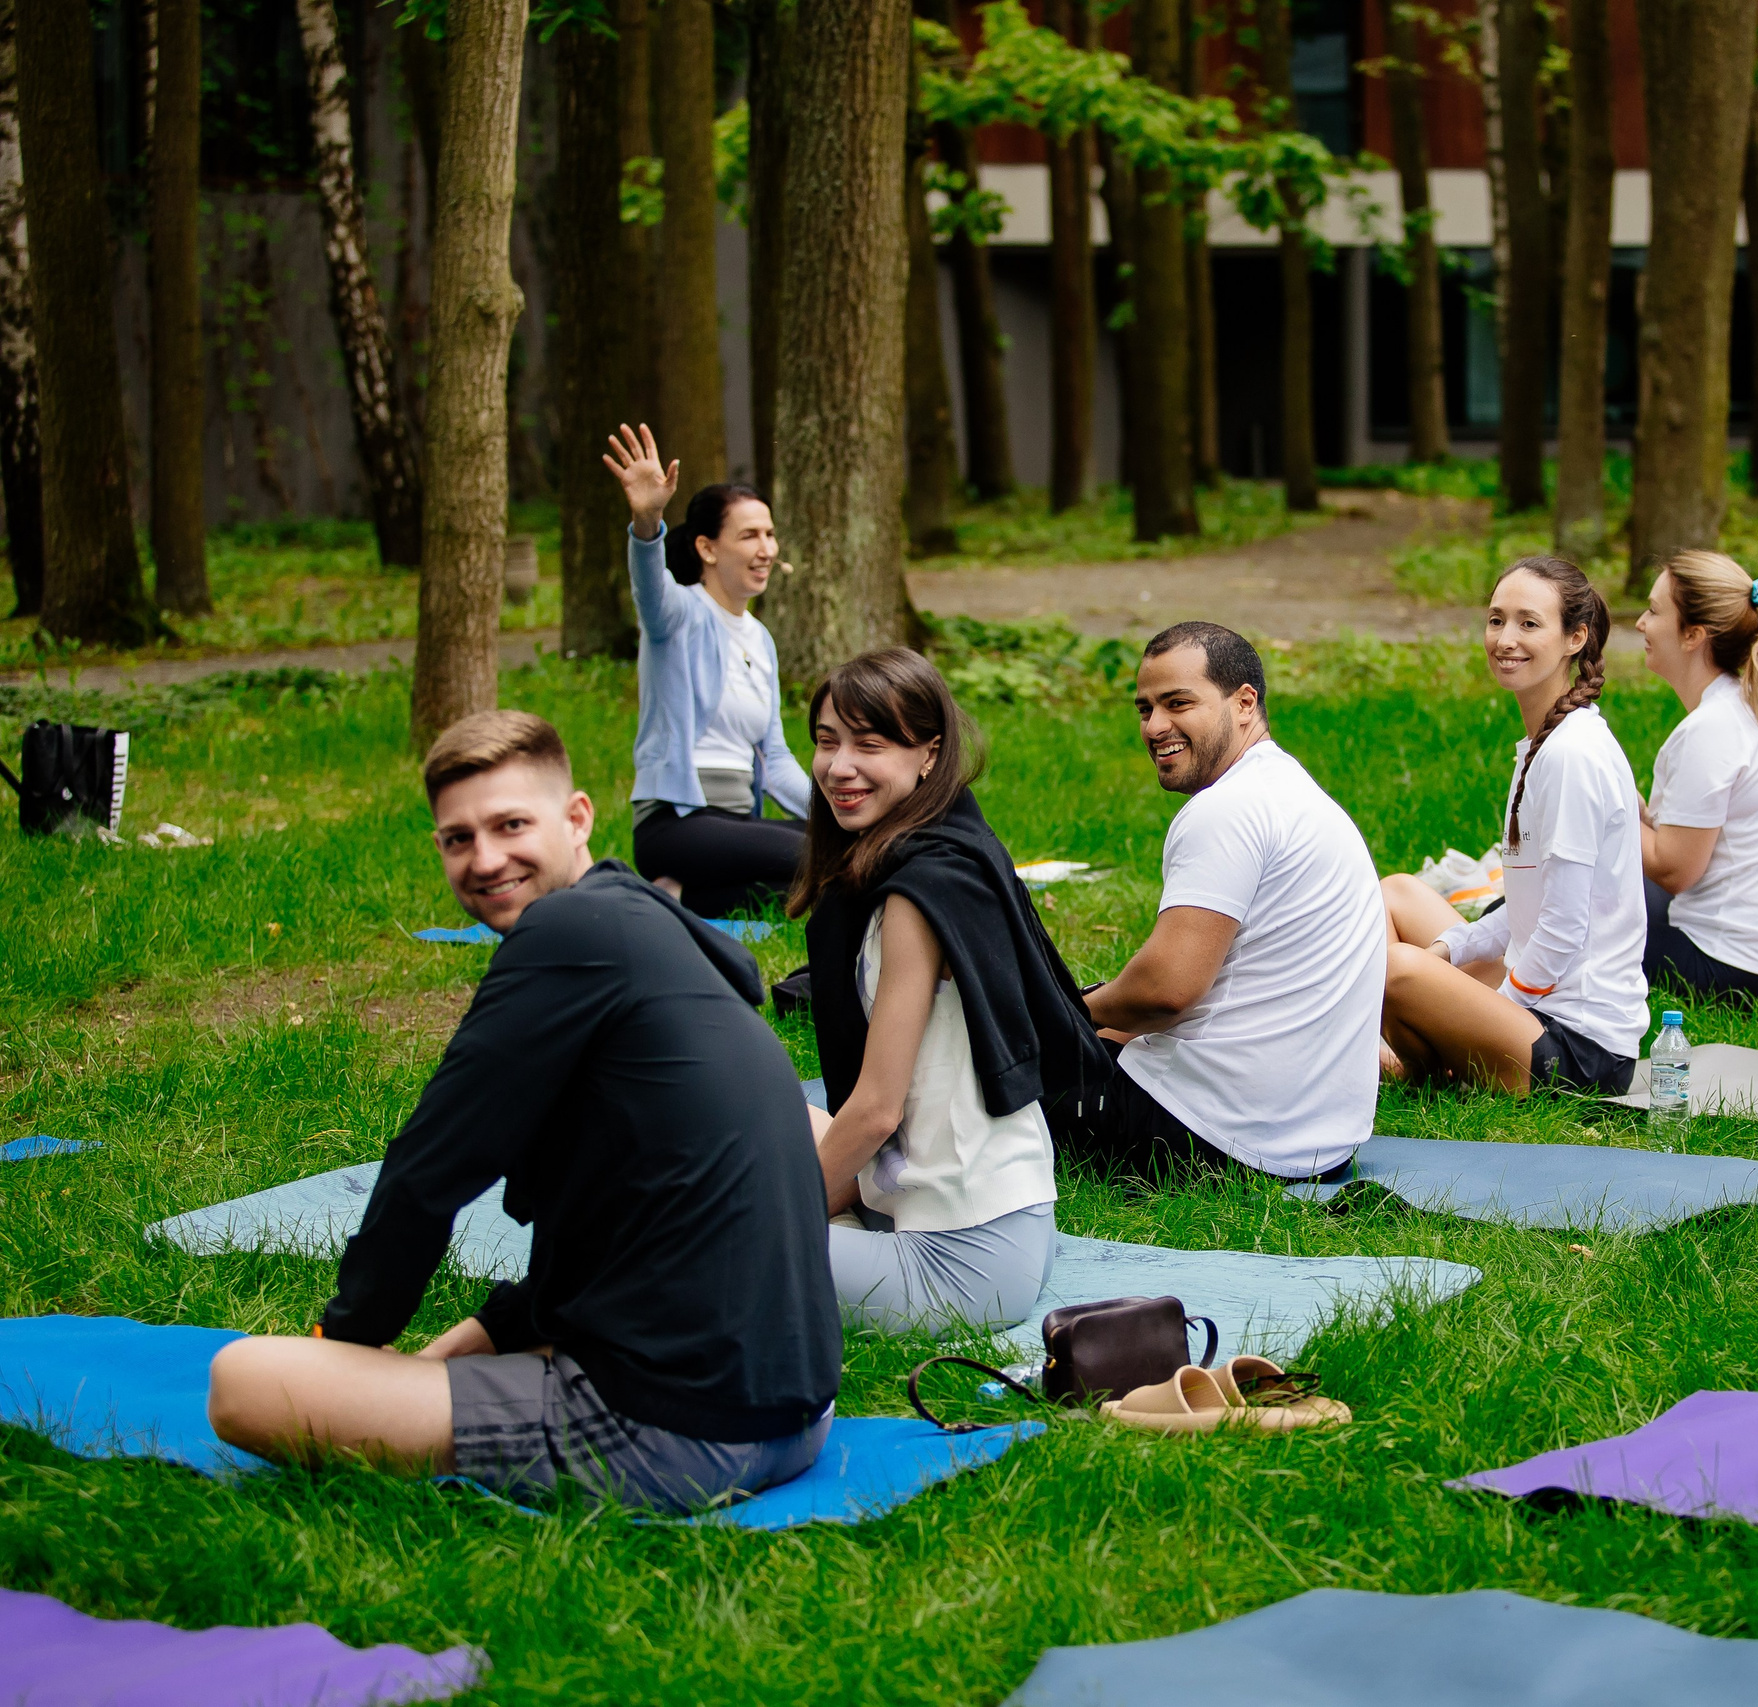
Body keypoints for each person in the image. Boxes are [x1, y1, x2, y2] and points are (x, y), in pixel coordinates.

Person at [206, 712, 839, 1514]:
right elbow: (608, 1218)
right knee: (470, 1341)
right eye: (457, 839)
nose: (485, 859)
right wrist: (492, 1328)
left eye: (510, 825)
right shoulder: (645, 928)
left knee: (244, 1381)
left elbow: (429, 1167)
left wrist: (347, 1345)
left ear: (576, 817)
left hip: (680, 1434)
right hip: (797, 1412)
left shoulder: (564, 932)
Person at [794, 648, 1109, 1335]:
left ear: (928, 754)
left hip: (963, 1260)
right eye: (826, 741)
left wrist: (774, 1224)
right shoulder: (943, 849)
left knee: (691, 1247)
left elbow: (876, 1110)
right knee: (766, 1104)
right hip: (965, 1212)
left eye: (869, 744)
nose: (838, 766)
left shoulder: (920, 893)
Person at [1070, 622, 1386, 1183]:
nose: (1155, 726)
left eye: (1178, 703)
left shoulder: (1227, 809)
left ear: (1244, 703)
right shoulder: (1290, 790)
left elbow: (1167, 993)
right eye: (1145, 709)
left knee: (986, 1078)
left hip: (1220, 1137)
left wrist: (1062, 1013)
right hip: (1320, 1141)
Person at [1377, 557, 1646, 1094]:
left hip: (1579, 1049)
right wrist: (1450, 951)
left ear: (1575, 638)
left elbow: (1564, 928)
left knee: (1395, 970)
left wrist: (1489, 1008)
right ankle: (1422, 1052)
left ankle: (1416, 1067)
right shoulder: (1543, 745)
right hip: (1539, 1003)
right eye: (1497, 619)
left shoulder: (1573, 755)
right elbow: (1526, 912)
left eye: (1529, 623)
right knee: (1395, 895)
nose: (1505, 639)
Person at [606, 423, 813, 919]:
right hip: (677, 824)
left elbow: (776, 759)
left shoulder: (759, 638)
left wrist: (844, 816)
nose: (766, 549)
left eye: (769, 534)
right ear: (707, 548)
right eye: (749, 536)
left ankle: (678, 898)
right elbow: (649, 590)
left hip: (737, 827)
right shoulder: (678, 616)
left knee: (844, 852)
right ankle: (673, 886)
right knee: (826, 859)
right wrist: (647, 521)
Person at [1634, 552, 1758, 1012]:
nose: (1642, 624)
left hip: (1749, 977)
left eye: (1653, 610)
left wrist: (1605, 804)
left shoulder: (1711, 729)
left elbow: (1675, 871)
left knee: (1560, 912)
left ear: (1693, 635)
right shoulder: (1744, 709)